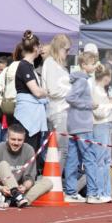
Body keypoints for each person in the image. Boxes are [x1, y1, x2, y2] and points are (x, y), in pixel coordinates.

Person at [0, 122, 53, 207]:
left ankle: (19, 200)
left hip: (19, 188)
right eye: (13, 139)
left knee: (48, 182)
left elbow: (30, 178)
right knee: (3, 164)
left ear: (24, 139)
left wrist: (24, 187)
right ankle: (17, 198)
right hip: (1, 189)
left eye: (19, 140)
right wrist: (2, 188)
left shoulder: (29, 150)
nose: (16, 143)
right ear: (7, 138)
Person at [63, 50, 100, 203]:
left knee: (73, 158)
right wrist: (89, 105)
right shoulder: (83, 81)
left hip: (74, 124)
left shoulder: (80, 79)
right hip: (83, 125)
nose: (95, 66)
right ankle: (92, 193)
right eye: (93, 63)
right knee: (90, 158)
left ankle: (71, 192)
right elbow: (70, 98)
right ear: (84, 65)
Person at [12, 31, 48, 168]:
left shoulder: (28, 66)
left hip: (31, 113)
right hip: (27, 115)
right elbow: (37, 92)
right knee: (27, 150)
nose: (40, 49)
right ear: (35, 48)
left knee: (31, 150)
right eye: (39, 47)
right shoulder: (24, 66)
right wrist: (48, 92)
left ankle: (28, 178)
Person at [41, 33, 72, 176]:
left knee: (58, 149)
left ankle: (53, 181)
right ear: (59, 48)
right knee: (61, 149)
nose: (68, 53)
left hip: (59, 110)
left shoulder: (55, 64)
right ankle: (55, 182)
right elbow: (53, 90)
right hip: (58, 111)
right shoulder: (51, 63)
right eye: (67, 49)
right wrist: (72, 91)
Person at [91, 62, 112, 203]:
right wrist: (111, 104)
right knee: (101, 159)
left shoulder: (101, 90)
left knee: (106, 159)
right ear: (106, 77)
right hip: (100, 125)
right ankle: (100, 191)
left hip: (106, 125)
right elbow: (98, 112)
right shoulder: (96, 90)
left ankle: (106, 191)